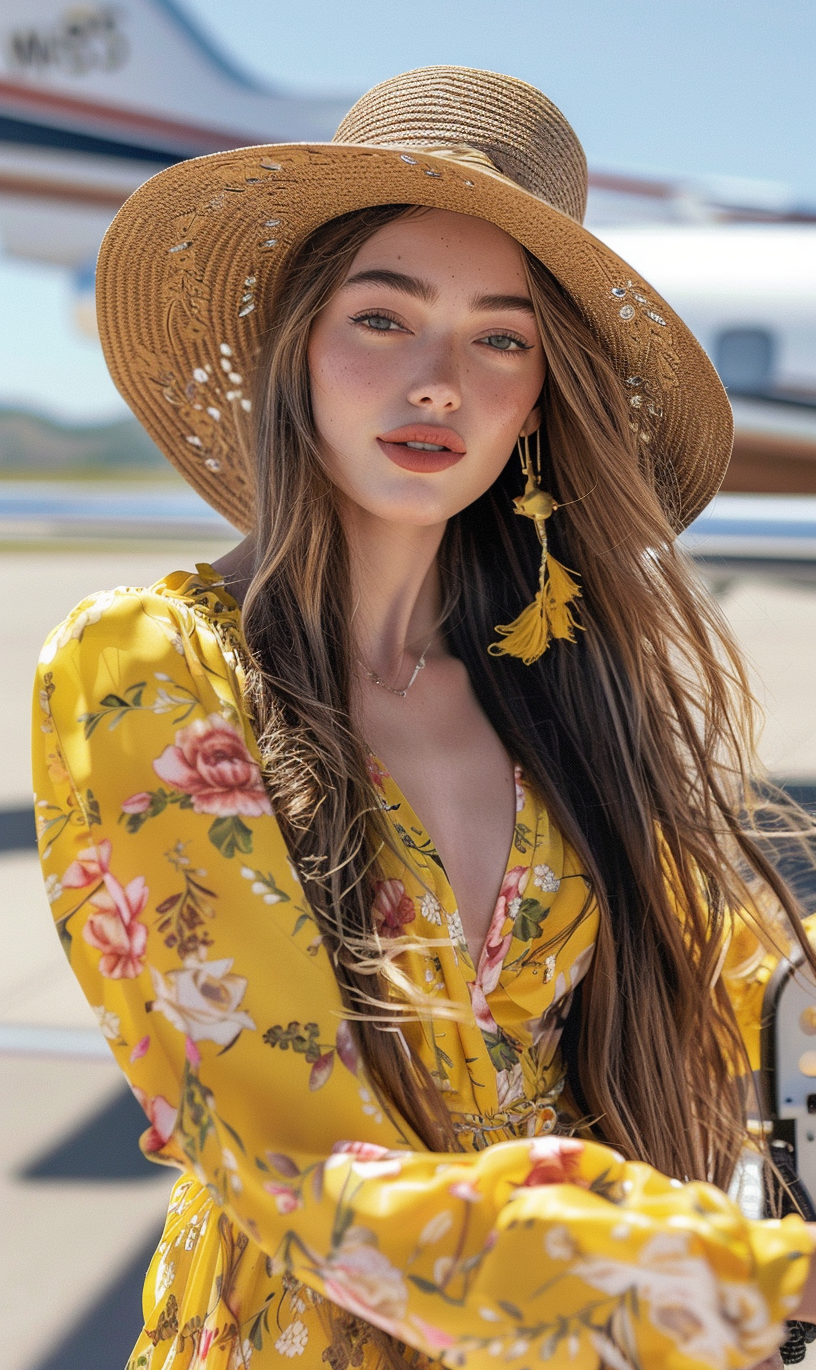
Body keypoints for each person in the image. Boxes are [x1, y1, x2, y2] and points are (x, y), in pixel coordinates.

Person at [32, 66, 816, 1370]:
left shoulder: (567, 685)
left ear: (540, 396)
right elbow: (298, 1160)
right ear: (298, 346)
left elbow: (755, 976)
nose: (442, 382)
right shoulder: (151, 668)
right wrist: (754, 1275)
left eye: (501, 339)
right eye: (386, 318)